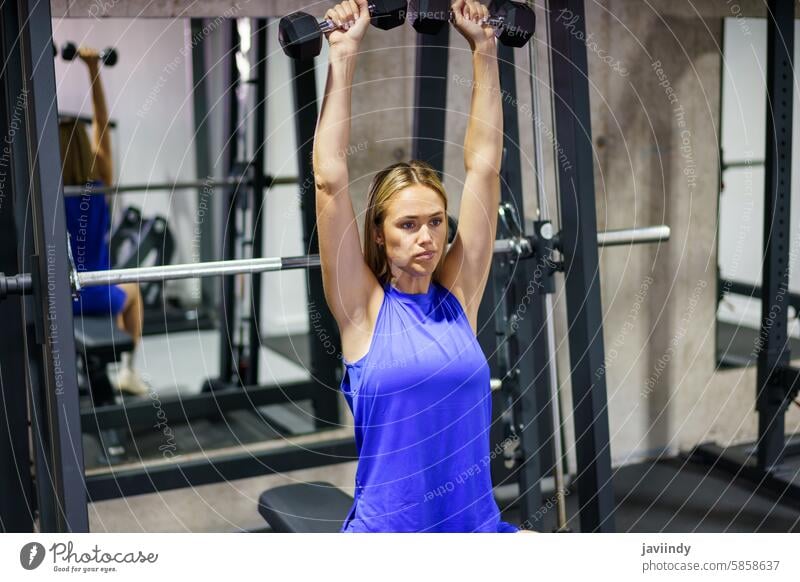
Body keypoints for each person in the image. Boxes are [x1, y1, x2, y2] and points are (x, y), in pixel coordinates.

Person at [315, 0, 528, 532]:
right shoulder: (362, 312)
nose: (427, 237)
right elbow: (329, 180)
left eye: (436, 221)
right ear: (379, 235)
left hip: (475, 530)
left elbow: (484, 168)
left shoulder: (460, 299)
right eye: (408, 225)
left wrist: (484, 50)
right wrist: (343, 57)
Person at [59, 46, 148, 396]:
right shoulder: (97, 186)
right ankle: (127, 371)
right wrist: (93, 70)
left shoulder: (44, 197)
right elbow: (101, 125)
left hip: (61, 296)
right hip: (96, 294)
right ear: (85, 148)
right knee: (134, 291)